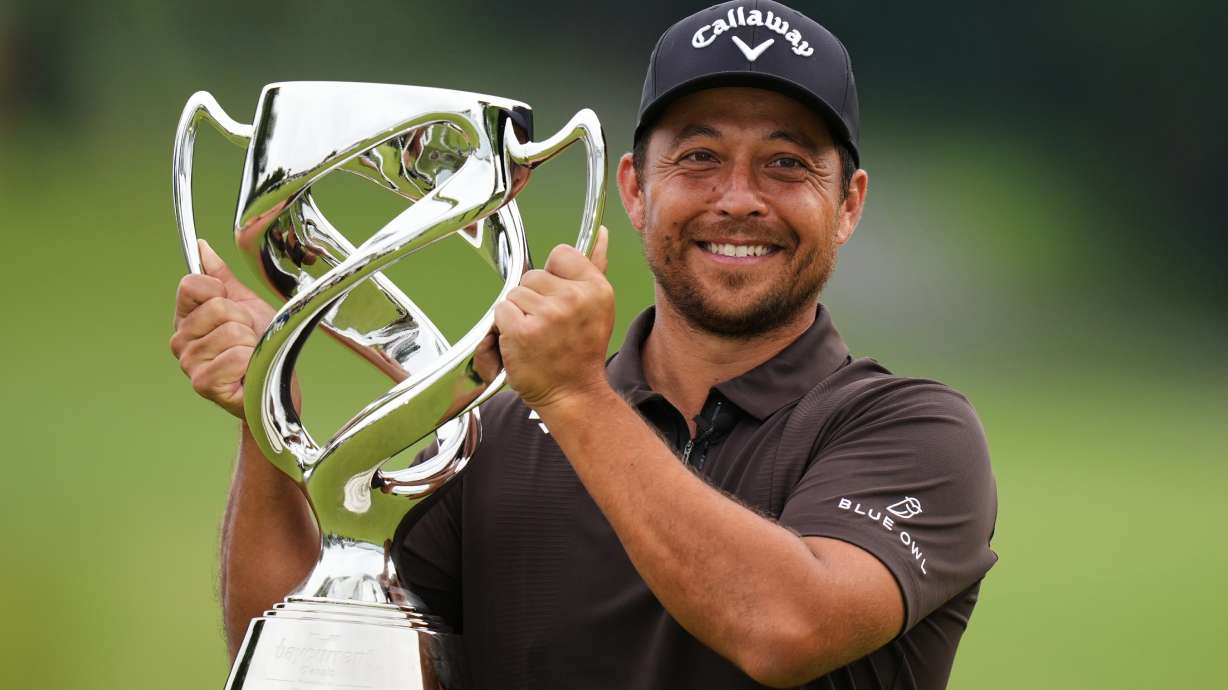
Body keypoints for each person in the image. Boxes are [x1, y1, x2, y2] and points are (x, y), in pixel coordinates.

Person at [169, 1, 997, 688]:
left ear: (847, 204)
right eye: (700, 157)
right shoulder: (489, 440)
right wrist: (266, 420)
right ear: (635, 189)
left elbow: (787, 627)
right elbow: (310, 663)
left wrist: (572, 398)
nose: (738, 199)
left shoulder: (909, 431)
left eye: (785, 163)